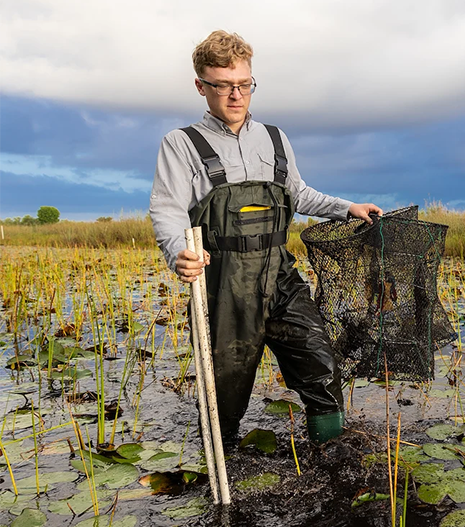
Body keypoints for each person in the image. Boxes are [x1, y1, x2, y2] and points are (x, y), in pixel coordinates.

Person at [149, 30, 382, 444]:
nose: (235, 95)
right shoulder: (181, 144)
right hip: (223, 284)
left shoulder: (274, 138)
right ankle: (223, 470)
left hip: (280, 275)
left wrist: (348, 207)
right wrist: (179, 253)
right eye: (223, 86)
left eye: (244, 84)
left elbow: (300, 194)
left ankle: (328, 459)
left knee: (321, 366)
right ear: (201, 86)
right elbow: (166, 209)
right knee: (226, 392)